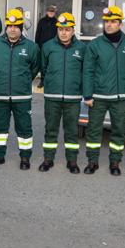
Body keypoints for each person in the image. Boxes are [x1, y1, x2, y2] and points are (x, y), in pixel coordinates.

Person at [82, 5, 125, 175]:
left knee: (119, 131)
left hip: (120, 97)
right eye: (107, 22)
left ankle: (115, 163)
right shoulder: (95, 44)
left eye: (113, 22)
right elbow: (88, 70)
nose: (109, 25)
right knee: (94, 130)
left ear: (120, 24)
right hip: (98, 96)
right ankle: (92, 161)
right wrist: (88, 95)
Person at [0, 9, 40, 169]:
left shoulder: (31, 47)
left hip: (21, 97)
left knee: (24, 128)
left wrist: (22, 81)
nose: (13, 29)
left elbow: (34, 68)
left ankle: (25, 158)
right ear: (6, 27)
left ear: (21, 27)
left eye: (16, 26)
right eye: (10, 25)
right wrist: (0, 80)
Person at [39, 13, 85, 173]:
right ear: (57, 30)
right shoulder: (47, 46)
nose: (64, 33)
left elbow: (84, 71)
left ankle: (72, 161)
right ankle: (48, 159)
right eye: (61, 29)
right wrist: (50, 82)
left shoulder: (81, 48)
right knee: (50, 129)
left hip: (73, 97)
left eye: (67, 29)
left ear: (73, 30)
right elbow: (43, 68)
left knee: (72, 131)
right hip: (52, 96)